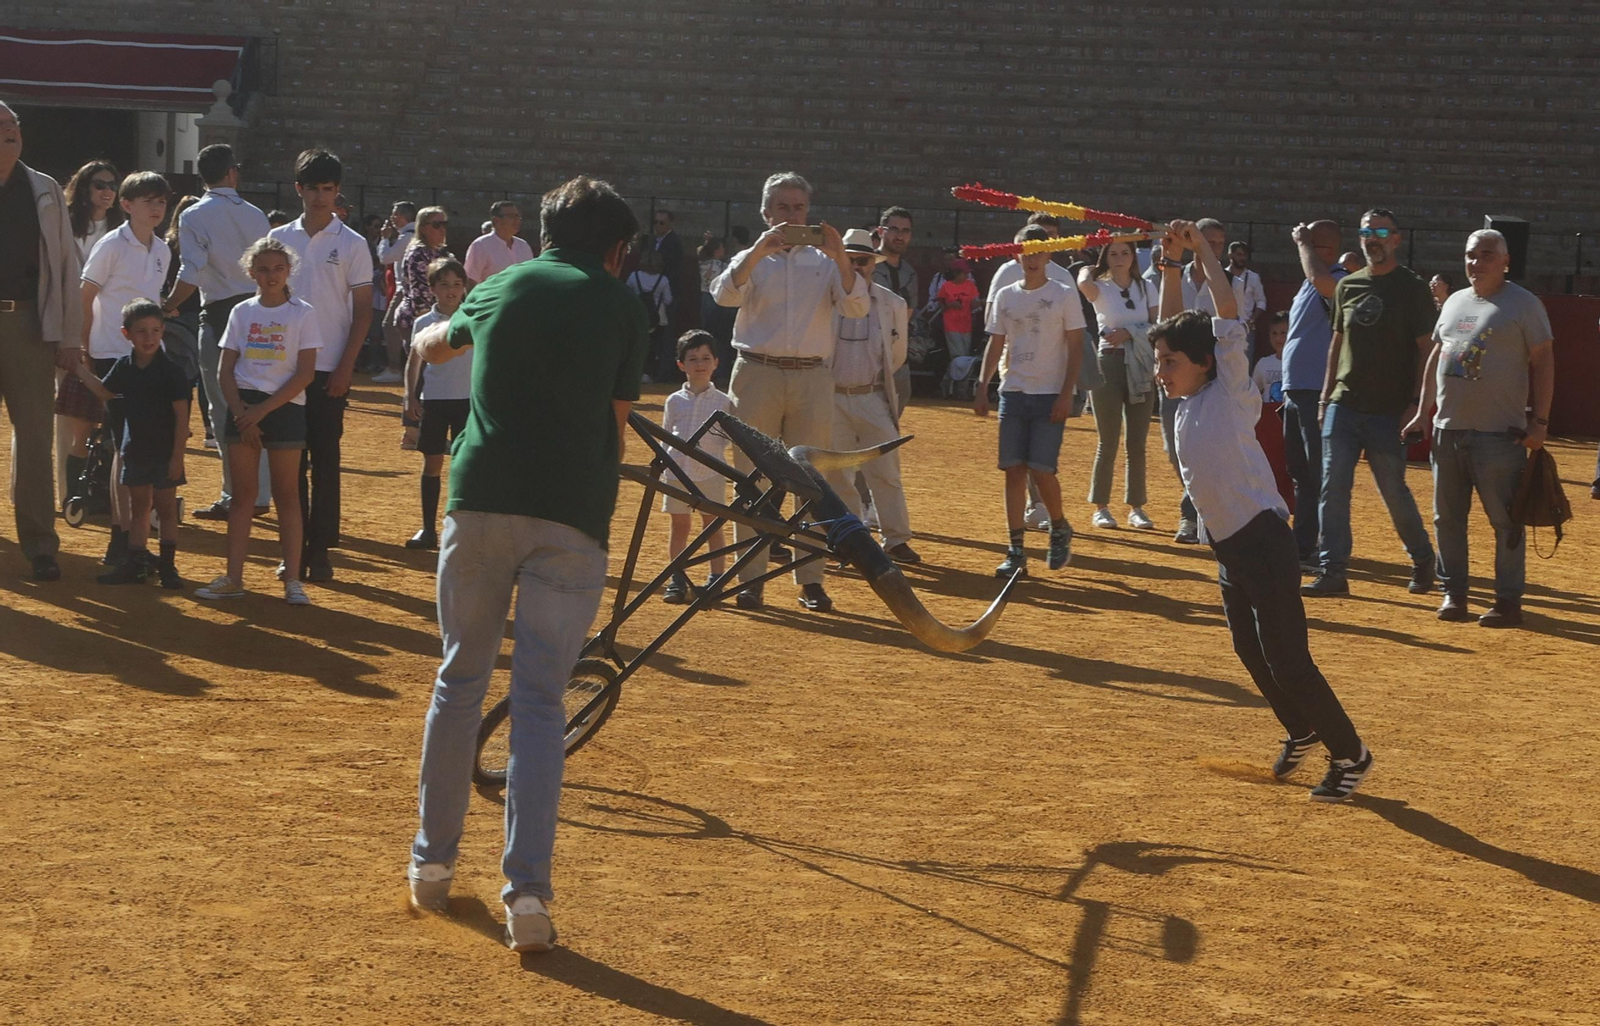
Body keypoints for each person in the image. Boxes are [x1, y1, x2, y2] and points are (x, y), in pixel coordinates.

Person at [407, 175, 649, 953]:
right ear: (615, 247)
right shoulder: (621, 303)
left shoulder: (503, 281)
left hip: (481, 499)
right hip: (572, 512)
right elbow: (615, 427)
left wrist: (422, 332)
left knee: (459, 678)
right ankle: (530, 897)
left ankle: (431, 866)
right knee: (541, 702)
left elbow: (438, 342)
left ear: (545, 231)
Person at [1153, 218, 1374, 802]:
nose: (1161, 370)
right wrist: (1172, 266)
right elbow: (1166, 328)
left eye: (1171, 362)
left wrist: (1201, 249)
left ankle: (1351, 754)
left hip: (1263, 540)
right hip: (1229, 545)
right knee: (1250, 650)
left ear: (1205, 361)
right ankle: (1300, 730)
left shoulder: (1230, 388)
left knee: (1289, 659)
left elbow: (1226, 315)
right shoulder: (1182, 399)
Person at [710, 171, 869, 612]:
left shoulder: (826, 262)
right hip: (756, 373)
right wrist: (759, 252)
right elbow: (723, 296)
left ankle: (810, 581)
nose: (792, 215)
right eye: (783, 207)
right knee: (752, 478)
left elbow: (857, 306)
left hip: (812, 377)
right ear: (766, 212)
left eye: (799, 207)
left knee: (813, 481)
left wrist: (839, 256)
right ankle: (751, 580)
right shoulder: (751, 256)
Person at [1404, 229, 1555, 627]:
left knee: (1506, 519)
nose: (1477, 262)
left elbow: (1544, 362)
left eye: (1487, 255)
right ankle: (1454, 594)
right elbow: (1437, 357)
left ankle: (1507, 601)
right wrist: (1423, 412)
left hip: (1499, 435)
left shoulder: (1524, 304)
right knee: (1447, 519)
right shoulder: (1453, 302)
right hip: (1448, 429)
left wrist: (1539, 421)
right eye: (1471, 255)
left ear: (1505, 261)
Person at [1304, 209, 1437, 598]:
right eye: (1366, 231)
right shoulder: (1348, 286)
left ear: (1396, 238)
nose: (1372, 238)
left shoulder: (1412, 288)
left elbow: (1427, 350)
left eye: (1381, 231)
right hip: (1344, 404)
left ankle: (1423, 558)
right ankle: (1333, 570)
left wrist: (1417, 403)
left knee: (1393, 490)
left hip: (1387, 410)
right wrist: (1325, 399)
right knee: (1333, 488)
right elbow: (1336, 344)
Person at [268, 149, 375, 583]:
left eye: (327, 189)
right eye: (312, 188)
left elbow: (364, 310)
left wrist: (347, 366)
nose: (320, 196)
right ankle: (293, 546)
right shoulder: (278, 239)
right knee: (287, 462)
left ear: (337, 191)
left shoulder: (352, 243)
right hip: (285, 370)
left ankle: (320, 548)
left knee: (325, 459)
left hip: (329, 366)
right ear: (299, 189)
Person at [196, 237, 318, 604]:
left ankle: (293, 580)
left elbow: (305, 373)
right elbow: (225, 370)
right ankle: (234, 577)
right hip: (244, 408)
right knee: (243, 496)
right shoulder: (241, 312)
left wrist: (260, 413)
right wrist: (240, 413)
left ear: (289, 271)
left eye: (278, 268)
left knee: (287, 496)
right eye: (263, 269)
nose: (271, 275)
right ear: (251, 272)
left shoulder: (303, 312)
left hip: (283, 408)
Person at [163, 143, 273, 523]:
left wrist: (166, 306)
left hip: (220, 312)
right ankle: (259, 491)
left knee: (223, 406)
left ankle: (235, 492)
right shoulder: (257, 215)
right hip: (258, 310)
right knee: (258, 398)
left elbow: (191, 271)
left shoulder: (194, 214)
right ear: (232, 172)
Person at [0, 100, 81, 581]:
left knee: (33, 439)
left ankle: (40, 545)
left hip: (31, 327)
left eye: (13, 125)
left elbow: (68, 269)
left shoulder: (45, 190)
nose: (9, 132)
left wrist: (69, 336)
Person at [974, 223, 1085, 578]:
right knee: (1013, 470)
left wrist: (1068, 392)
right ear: (1016, 252)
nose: (1032, 257)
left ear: (1049, 254)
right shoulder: (1006, 295)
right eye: (1026, 250)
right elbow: (996, 342)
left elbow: (1076, 345)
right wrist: (982, 384)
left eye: (1039, 250)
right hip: (1014, 391)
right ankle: (1016, 549)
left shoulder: (1064, 293)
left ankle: (1058, 525)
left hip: (1049, 393)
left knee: (1042, 468)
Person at [80, 171, 171, 569]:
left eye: (161, 201)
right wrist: (83, 351)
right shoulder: (111, 244)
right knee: (122, 448)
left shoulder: (163, 251)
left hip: (148, 356)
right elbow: (85, 298)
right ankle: (121, 538)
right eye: (148, 200)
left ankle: (133, 539)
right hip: (111, 354)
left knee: (142, 446)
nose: (156, 208)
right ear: (127, 205)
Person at [73, 299, 188, 587]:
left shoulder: (171, 371)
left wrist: (177, 457)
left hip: (163, 452)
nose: (149, 338)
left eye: (155, 330)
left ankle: (168, 568)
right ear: (127, 334)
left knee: (165, 508)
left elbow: (182, 416)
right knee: (139, 508)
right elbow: (104, 391)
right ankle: (136, 565)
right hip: (135, 449)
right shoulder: (124, 367)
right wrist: (77, 368)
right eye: (141, 331)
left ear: (162, 331)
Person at [825, 228, 918, 563]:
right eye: (851, 261)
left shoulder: (893, 303)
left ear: (873, 264)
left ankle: (896, 540)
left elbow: (897, 355)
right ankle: (848, 540)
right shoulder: (825, 297)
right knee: (837, 474)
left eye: (863, 261)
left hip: (873, 395)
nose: (858, 267)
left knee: (886, 471)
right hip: (831, 396)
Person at [1077, 238, 1160, 531]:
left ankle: (1136, 507)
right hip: (1109, 362)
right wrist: (1091, 266)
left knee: (1136, 442)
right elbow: (1083, 283)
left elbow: (1157, 327)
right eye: (1113, 253)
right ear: (1105, 257)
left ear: (1134, 257)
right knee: (1107, 440)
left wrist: (1129, 332)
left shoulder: (1147, 287)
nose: (1120, 258)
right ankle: (1101, 506)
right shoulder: (1100, 286)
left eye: (1125, 253)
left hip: (1140, 364)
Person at [55, 161, 123, 504]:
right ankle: (62, 494)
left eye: (113, 184)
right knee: (61, 415)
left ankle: (91, 494)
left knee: (90, 415)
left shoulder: (119, 230)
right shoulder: (63, 224)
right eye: (100, 184)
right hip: (59, 325)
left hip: (103, 331)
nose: (107, 190)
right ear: (84, 188)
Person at [1282, 220, 1349, 565]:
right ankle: (1303, 542)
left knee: (1316, 472)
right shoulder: (1311, 282)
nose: (1304, 249)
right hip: (1296, 389)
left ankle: (1320, 547)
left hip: (1315, 389)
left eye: (1313, 244)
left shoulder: (1336, 279)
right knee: (1300, 471)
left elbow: (1321, 280)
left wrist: (1302, 243)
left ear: (1329, 250)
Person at [402, 257, 470, 550]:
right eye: (444, 285)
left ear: (465, 287)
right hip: (435, 401)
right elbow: (413, 363)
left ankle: (464, 532)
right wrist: (410, 397)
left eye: (457, 284)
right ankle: (429, 530)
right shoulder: (423, 322)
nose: (451, 291)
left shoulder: (473, 318)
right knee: (432, 463)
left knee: (467, 466)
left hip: (469, 400)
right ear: (432, 289)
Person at [660, 330, 733, 602]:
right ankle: (677, 579)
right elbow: (667, 434)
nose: (699, 364)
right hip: (677, 472)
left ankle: (716, 580)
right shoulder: (673, 400)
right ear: (681, 365)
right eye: (692, 359)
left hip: (711, 473)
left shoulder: (725, 402)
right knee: (679, 526)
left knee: (712, 525)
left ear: (716, 362)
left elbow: (730, 439)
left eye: (705, 358)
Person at [873, 205, 918, 413]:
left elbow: (907, 317)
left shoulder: (910, 273)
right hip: (867, 356)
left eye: (905, 231)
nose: (900, 236)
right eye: (894, 229)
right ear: (881, 231)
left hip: (898, 359)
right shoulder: (865, 264)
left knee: (891, 427)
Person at [373, 200, 417, 383]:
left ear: (401, 216)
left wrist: (384, 238)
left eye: (394, 214)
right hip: (409, 288)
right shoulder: (411, 234)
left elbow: (385, 257)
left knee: (390, 325)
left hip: (405, 288)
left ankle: (394, 367)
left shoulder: (407, 236)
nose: (391, 218)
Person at [628, 245, 675, 382]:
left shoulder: (633, 276)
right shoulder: (663, 280)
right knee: (654, 348)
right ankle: (648, 374)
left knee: (636, 346)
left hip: (637, 316)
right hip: (658, 319)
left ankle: (635, 372)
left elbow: (627, 293)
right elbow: (668, 300)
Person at [463, 200, 533, 286]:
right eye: (511, 216)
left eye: (517, 216)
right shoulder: (480, 245)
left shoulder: (524, 246)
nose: (517, 220)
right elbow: (471, 280)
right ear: (496, 220)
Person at [935, 258, 979, 359]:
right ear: (955, 273)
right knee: (958, 354)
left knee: (966, 353)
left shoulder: (970, 285)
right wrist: (951, 305)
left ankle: (962, 373)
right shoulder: (946, 287)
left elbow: (973, 304)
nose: (967, 275)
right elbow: (941, 306)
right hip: (951, 326)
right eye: (964, 273)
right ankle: (956, 374)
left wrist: (982, 302)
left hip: (966, 325)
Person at [1227, 240, 1268, 348]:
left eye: (1245, 255)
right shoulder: (1222, 275)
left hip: (1245, 326)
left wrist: (1252, 319)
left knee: (1246, 362)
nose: (1242, 258)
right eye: (1239, 254)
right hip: (1225, 325)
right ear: (1230, 255)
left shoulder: (1253, 277)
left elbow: (1261, 301)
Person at [1253, 311, 1288, 401]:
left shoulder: (1300, 364)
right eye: (1274, 333)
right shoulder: (1263, 363)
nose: (1278, 338)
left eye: (1283, 333)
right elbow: (1254, 391)